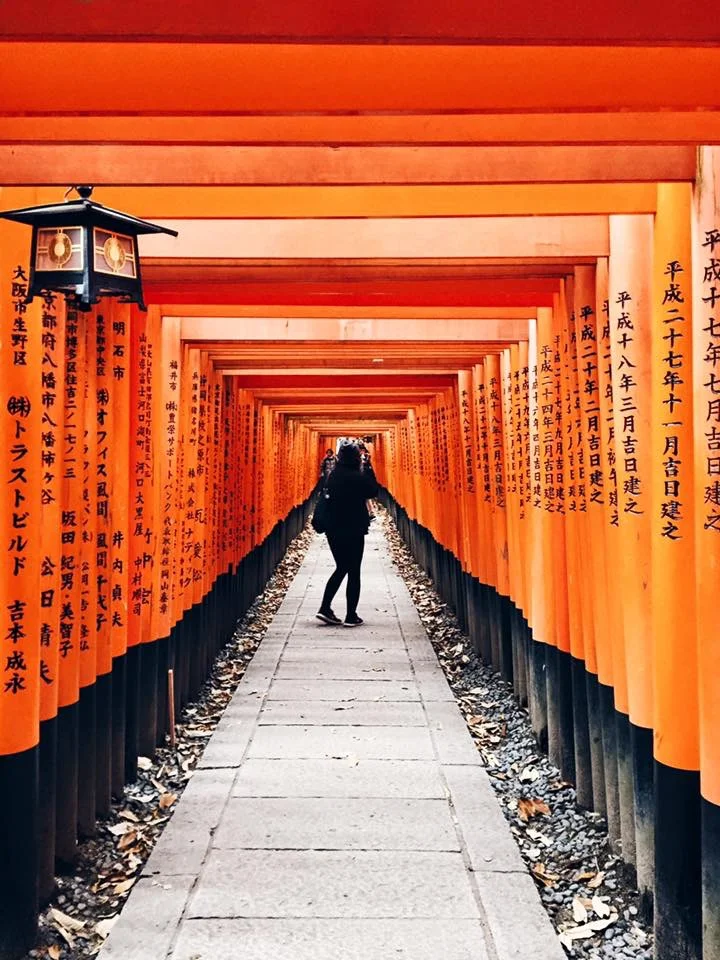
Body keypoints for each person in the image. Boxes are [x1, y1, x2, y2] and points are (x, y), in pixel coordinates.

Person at [317, 440, 378, 627]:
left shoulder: (333, 476)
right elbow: (373, 490)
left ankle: (325, 607)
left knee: (342, 566)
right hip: (354, 528)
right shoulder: (358, 477)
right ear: (356, 458)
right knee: (353, 570)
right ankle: (351, 615)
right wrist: (368, 467)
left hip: (333, 529)